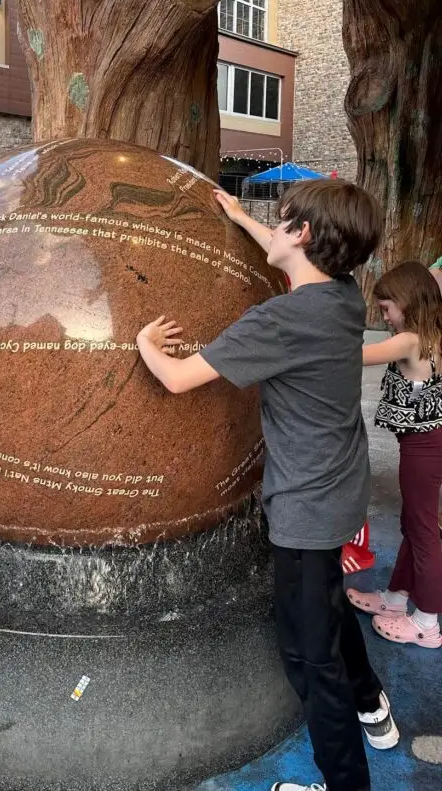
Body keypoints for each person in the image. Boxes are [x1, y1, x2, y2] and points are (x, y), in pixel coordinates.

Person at [136, 179, 398, 791]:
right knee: (329, 603)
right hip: (341, 491)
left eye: (280, 222)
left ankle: (344, 782)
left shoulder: (278, 321)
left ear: (302, 235)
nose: (272, 228)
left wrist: (146, 343)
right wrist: (241, 218)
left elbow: (176, 379)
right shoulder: (342, 297)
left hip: (304, 510)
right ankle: (371, 704)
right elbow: (295, 258)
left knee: (310, 657)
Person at [347, 261, 442, 648]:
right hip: (428, 441)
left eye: (387, 308)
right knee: (414, 525)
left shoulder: (410, 340)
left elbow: (359, 355)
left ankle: (426, 623)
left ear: (407, 302)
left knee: (423, 534)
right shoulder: (434, 335)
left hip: (422, 447)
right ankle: (396, 597)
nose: (384, 317)